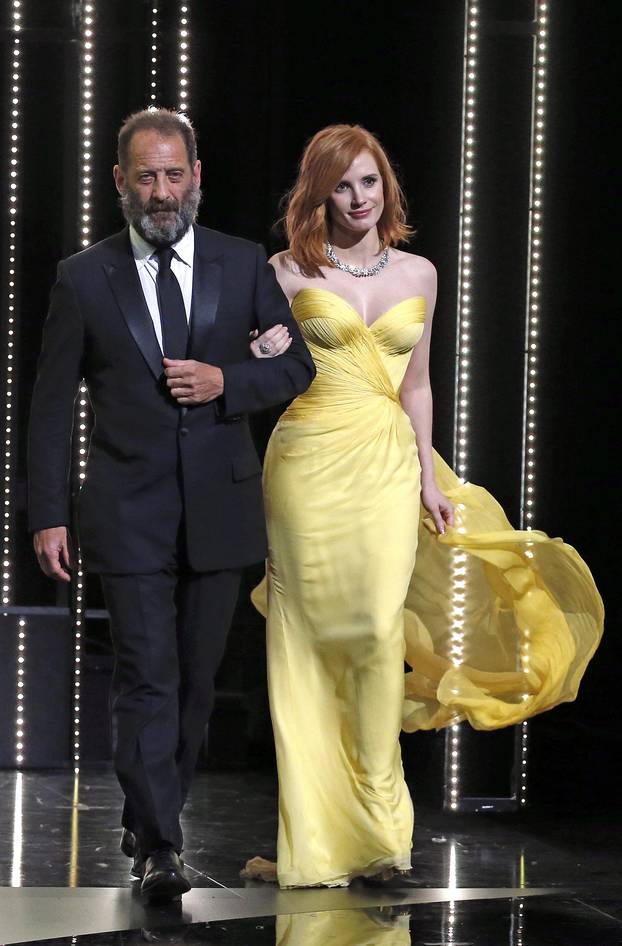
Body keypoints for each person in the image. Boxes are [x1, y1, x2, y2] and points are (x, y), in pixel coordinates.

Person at [243, 124, 604, 889]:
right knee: (307, 643)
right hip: (306, 463)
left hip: (386, 465)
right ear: (318, 192)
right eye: (341, 186)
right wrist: (259, 354)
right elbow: (248, 364)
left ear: (387, 188)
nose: (357, 199)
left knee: (376, 636)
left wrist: (429, 480)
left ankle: (377, 840)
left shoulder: (421, 273)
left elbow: (418, 385)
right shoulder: (280, 271)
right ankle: (314, 838)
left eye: (369, 183)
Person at [27, 108, 315, 902]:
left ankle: (154, 810)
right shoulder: (83, 276)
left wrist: (230, 383)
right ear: (120, 182)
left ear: (196, 177)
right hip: (125, 513)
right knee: (146, 678)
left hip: (220, 511)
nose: (162, 191)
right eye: (146, 176)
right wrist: (47, 511)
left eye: (173, 173)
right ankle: (159, 844)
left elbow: (299, 370)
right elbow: (49, 405)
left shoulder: (242, 262)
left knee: (192, 685)